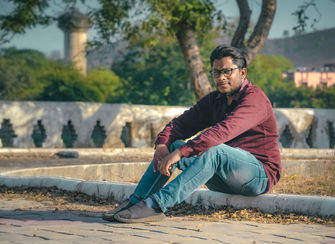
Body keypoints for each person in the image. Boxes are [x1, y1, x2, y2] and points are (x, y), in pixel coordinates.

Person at [102, 45, 281, 223]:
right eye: (216, 72)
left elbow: (222, 131)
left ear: (242, 73)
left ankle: (156, 205)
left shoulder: (255, 99)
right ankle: (137, 200)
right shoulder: (215, 100)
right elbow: (181, 124)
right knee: (174, 145)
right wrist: (162, 146)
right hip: (223, 176)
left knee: (213, 151)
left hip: (258, 175)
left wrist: (180, 154)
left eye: (227, 71)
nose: (221, 78)